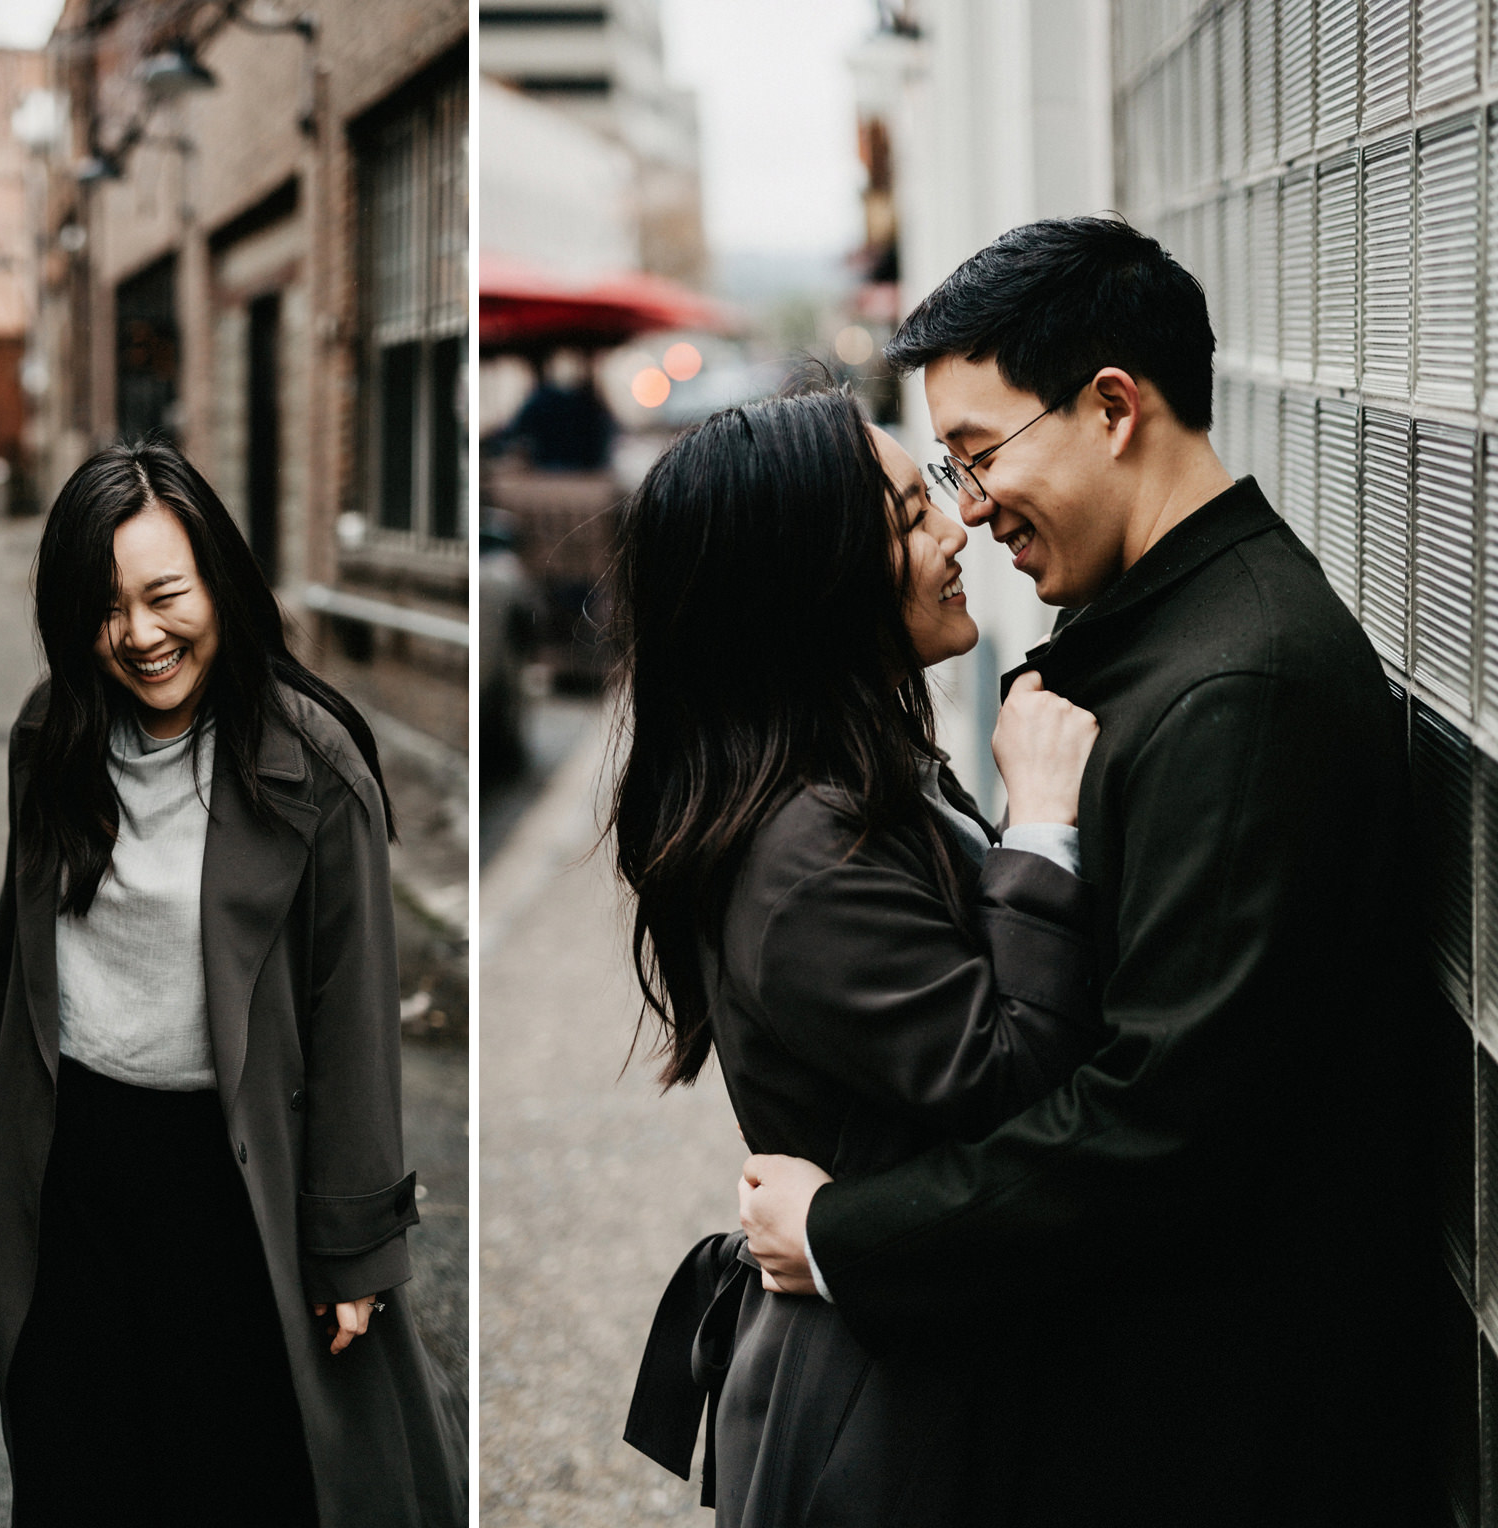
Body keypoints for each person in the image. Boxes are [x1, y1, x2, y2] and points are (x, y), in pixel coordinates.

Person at [737, 217, 1434, 1524]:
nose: (971, 507)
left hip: (1221, 1441)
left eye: (979, 455)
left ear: (1113, 407)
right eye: (942, 474)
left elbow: (1155, 1125)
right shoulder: (1159, 636)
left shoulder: (1241, 690)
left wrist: (846, 1237)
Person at [0, 440, 466, 1527]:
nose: (138, 635)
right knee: (75, 1466)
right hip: (71, 1154)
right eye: (105, 607)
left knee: (221, 1471)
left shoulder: (311, 767)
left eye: (164, 595)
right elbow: (29, 904)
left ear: (218, 582)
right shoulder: (53, 730)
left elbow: (353, 1012)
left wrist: (354, 1242)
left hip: (227, 1180)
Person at [610, 385, 1104, 1523]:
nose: (953, 527)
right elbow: (1016, 1080)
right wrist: (1040, 824)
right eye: (903, 516)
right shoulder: (804, 851)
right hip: (883, 1406)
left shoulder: (843, 780)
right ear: (809, 584)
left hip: (910, 1332)